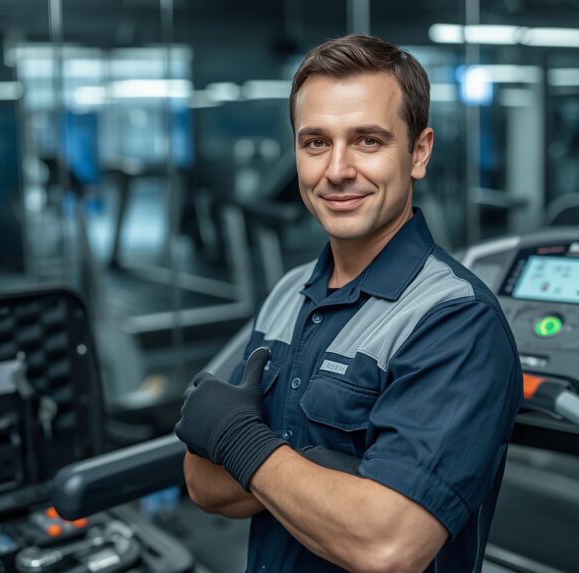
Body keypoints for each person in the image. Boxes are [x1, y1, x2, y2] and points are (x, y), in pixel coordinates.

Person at [175, 34, 522, 573]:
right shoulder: (286, 294)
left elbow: (388, 544)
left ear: (419, 152)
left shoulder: (455, 320)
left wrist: (241, 442)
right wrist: (322, 472)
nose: (336, 170)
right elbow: (202, 484)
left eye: (367, 141)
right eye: (315, 143)